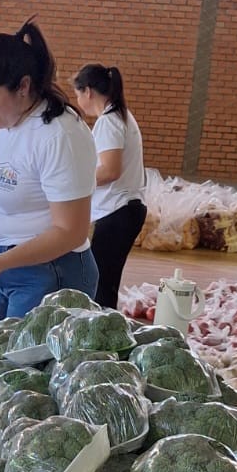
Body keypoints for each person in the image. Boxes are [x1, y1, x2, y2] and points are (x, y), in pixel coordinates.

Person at [0, 19, 98, 324]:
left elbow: (71, 230)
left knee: (18, 370)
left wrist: (0, 262)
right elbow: (0, 180)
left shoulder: (59, 135)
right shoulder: (2, 120)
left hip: (50, 271)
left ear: (23, 86)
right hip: (5, 266)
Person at [73, 63, 147, 310]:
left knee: (102, 284)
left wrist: (74, 182)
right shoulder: (119, 116)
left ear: (88, 92)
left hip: (118, 211)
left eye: (77, 94)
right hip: (123, 210)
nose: (78, 100)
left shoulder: (110, 121)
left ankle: (103, 333)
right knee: (105, 281)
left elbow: (109, 170)